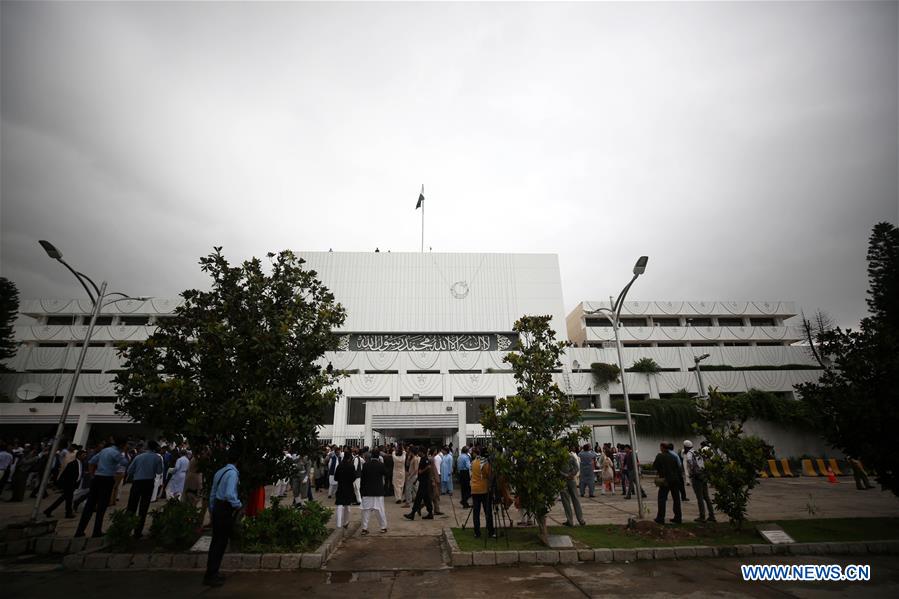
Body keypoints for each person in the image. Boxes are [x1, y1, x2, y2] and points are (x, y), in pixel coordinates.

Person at [74, 437, 129, 538]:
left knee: (89, 505)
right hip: (107, 479)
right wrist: (124, 452)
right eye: (126, 445)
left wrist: (92, 475)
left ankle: (79, 530)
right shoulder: (116, 453)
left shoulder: (105, 450)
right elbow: (125, 463)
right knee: (102, 506)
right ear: (122, 445)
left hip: (97, 478)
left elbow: (91, 462)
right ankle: (96, 531)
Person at [204, 447, 243, 587]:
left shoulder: (220, 472)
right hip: (225, 509)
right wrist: (238, 504)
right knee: (220, 543)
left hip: (217, 508)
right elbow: (229, 494)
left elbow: (213, 493)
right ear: (238, 460)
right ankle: (212, 575)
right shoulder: (232, 474)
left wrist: (213, 509)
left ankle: (212, 572)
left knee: (216, 542)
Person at [125, 441, 164, 538]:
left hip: (137, 482)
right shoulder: (157, 458)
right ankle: (138, 532)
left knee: (131, 506)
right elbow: (159, 471)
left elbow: (130, 470)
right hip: (149, 482)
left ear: (147, 447)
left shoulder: (138, 457)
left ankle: (126, 529)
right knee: (144, 507)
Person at [44, 448, 84, 518]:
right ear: (78, 456)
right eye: (83, 455)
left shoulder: (81, 464)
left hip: (73, 485)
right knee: (65, 499)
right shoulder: (72, 463)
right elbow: (65, 474)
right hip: (69, 485)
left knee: (67, 499)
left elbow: (79, 474)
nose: (85, 456)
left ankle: (66, 513)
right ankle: (51, 510)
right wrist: (62, 484)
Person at [684, 440, 716, 522]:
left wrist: (691, 473)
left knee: (700, 498)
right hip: (703, 476)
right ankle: (712, 515)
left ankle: (702, 516)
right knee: (706, 497)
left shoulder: (689, 454)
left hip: (696, 477)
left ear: (685, 447)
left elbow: (690, 463)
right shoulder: (697, 452)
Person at [652, 442, 682, 525]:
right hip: (675, 480)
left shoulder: (660, 456)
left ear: (662, 447)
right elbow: (678, 467)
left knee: (662, 499)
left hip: (665, 480)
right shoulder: (673, 456)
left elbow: (655, 466)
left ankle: (660, 518)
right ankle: (678, 517)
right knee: (676, 499)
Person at [359, 449, 388, 534]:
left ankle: (364, 528)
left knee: (366, 511)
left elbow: (362, 479)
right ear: (378, 456)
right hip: (378, 491)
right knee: (380, 510)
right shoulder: (381, 465)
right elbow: (386, 473)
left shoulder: (365, 465)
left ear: (371, 455)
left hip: (367, 491)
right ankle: (383, 527)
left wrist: (362, 491)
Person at [469, 447, 495, 538]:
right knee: (488, 511)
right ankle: (491, 531)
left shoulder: (473, 462)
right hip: (483, 489)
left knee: (476, 512)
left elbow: (471, 474)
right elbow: (488, 474)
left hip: (474, 489)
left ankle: (477, 532)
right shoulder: (484, 462)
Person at [404, 449, 434, 520]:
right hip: (422, 481)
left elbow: (427, 468)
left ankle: (412, 513)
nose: (418, 453)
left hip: (424, 482)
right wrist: (417, 479)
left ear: (422, 452)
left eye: (419, 452)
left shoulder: (425, 460)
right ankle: (430, 513)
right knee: (426, 499)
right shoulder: (423, 459)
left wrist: (422, 471)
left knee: (418, 498)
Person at [559, 447, 586, 526]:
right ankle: (580, 520)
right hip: (570, 479)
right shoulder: (571, 456)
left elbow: (558, 470)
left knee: (567, 501)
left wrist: (567, 475)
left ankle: (571, 520)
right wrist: (571, 474)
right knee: (575, 499)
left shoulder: (560, 458)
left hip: (564, 480)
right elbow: (577, 467)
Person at [334, 452, 357, 528]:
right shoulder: (351, 466)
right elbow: (354, 478)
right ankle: (346, 522)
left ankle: (338, 524)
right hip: (349, 488)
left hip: (340, 487)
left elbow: (335, 478)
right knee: (347, 506)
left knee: (339, 506)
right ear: (349, 458)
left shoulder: (339, 466)